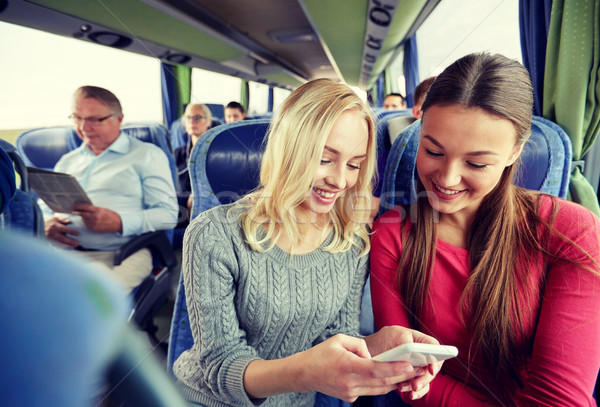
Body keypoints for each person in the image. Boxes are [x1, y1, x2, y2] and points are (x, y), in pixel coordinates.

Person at [173, 78, 443, 406]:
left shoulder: (350, 240)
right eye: (324, 159)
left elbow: (333, 340)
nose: (341, 180)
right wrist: (306, 374)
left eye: (354, 164)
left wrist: (379, 346)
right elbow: (218, 364)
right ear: (288, 149)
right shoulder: (215, 234)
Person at [370, 52, 600, 406]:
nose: (446, 179)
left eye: (476, 162)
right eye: (432, 151)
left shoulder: (572, 231)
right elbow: (407, 373)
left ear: (514, 153)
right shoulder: (392, 234)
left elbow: (560, 399)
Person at [42, 86, 179, 290]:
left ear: (119, 119)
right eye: (77, 118)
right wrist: (45, 223)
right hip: (63, 254)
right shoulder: (67, 162)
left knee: (85, 306)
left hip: (123, 254)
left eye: (95, 119)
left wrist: (119, 222)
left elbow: (168, 215)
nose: (83, 127)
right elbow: (44, 207)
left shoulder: (147, 155)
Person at [175, 103, 213, 198]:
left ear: (209, 121)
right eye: (188, 117)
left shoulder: (215, 153)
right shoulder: (178, 153)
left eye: (197, 117)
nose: (192, 121)